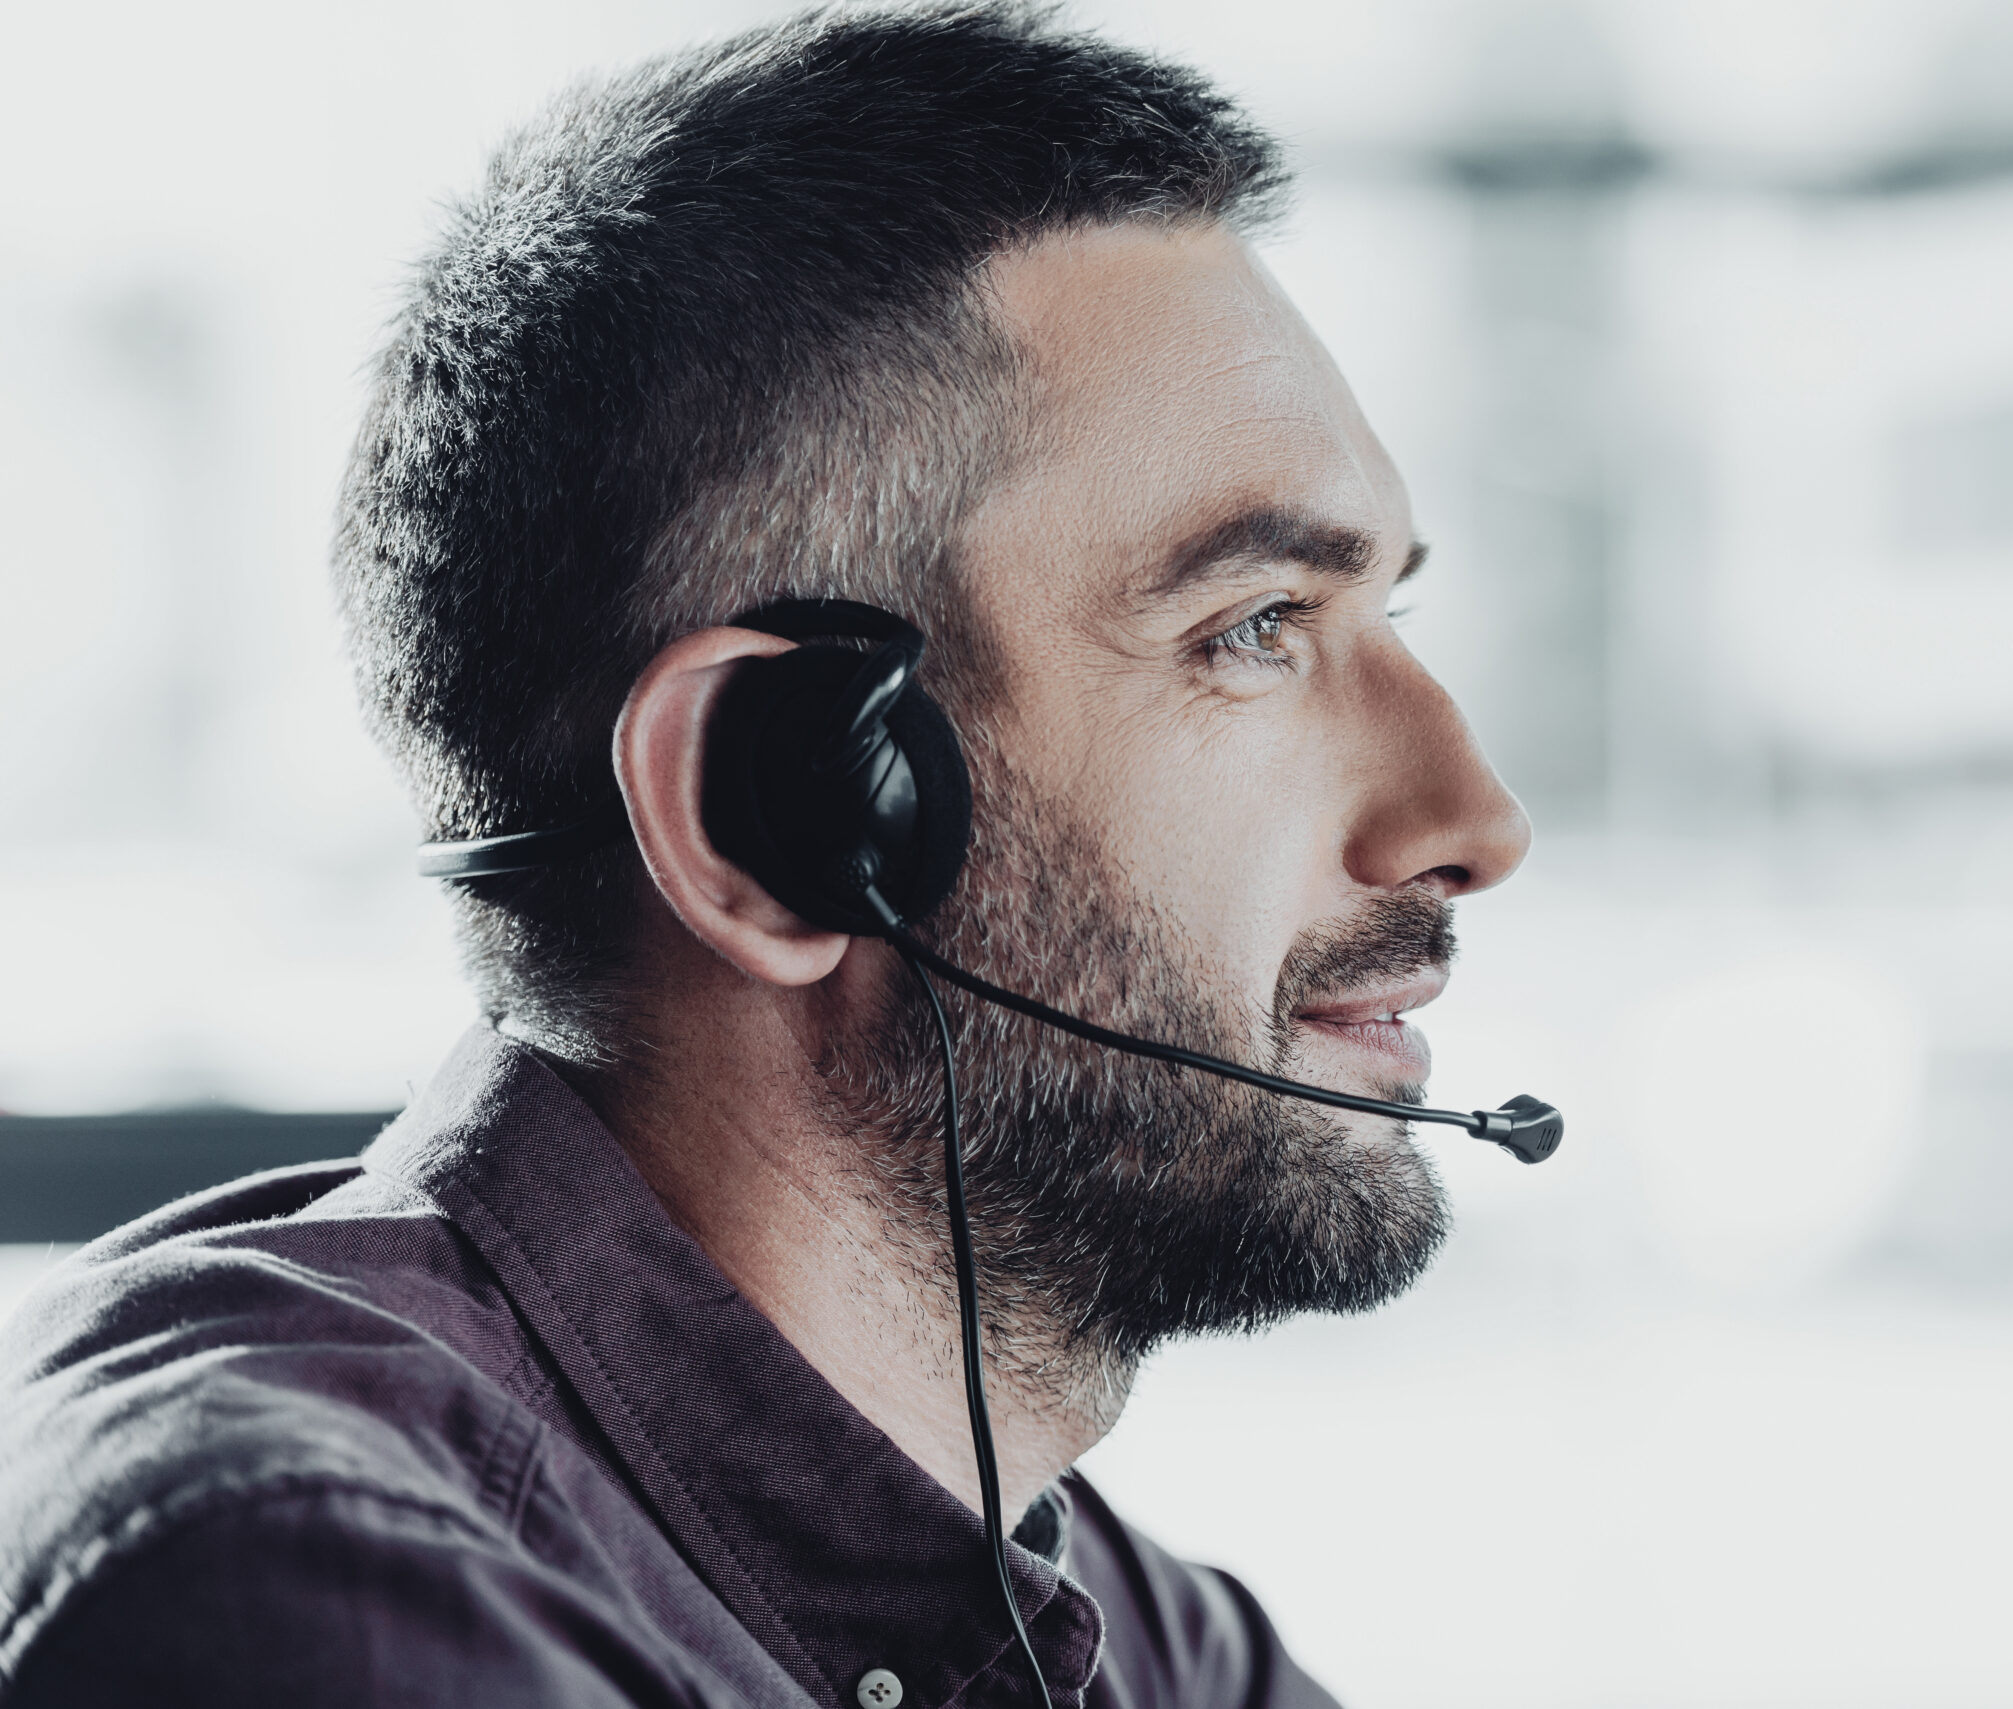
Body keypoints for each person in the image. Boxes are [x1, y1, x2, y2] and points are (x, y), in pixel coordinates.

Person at [0, 5, 1532, 1705]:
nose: (1472, 822)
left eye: (1380, 609)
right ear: (775, 811)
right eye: (1255, 626)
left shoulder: (1104, 1618)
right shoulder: (288, 1584)